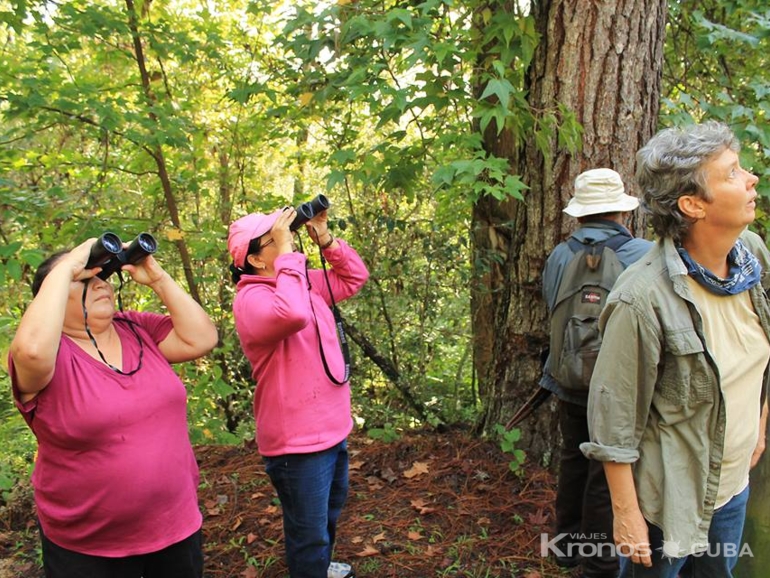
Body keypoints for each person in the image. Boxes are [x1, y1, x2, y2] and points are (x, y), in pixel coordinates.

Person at [581, 120, 770, 578]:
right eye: (731, 174)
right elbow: (614, 423)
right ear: (692, 205)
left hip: (732, 486)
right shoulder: (641, 297)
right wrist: (627, 517)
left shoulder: (754, 256)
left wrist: (760, 427)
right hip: (669, 500)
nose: (751, 179)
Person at [9, 235, 218, 578]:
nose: (99, 284)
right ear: (55, 296)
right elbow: (31, 350)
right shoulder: (48, 357)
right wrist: (66, 267)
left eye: (101, 277)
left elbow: (202, 338)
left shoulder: (136, 328)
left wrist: (158, 278)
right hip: (88, 547)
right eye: (84, 281)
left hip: (175, 527)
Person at [227, 203, 369, 578]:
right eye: (274, 237)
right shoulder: (251, 300)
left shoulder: (301, 284)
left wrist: (323, 236)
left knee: (329, 514)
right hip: (297, 442)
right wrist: (289, 256)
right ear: (256, 260)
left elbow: (354, 278)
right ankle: (311, 568)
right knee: (308, 534)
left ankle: (319, 568)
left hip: (331, 428)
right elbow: (291, 315)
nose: (286, 239)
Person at [540, 168, 652, 578]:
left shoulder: (558, 255)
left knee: (573, 458)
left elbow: (551, 307)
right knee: (607, 472)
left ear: (580, 214)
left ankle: (566, 546)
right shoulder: (641, 254)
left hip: (567, 378)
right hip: (617, 385)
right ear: (622, 211)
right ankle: (600, 564)